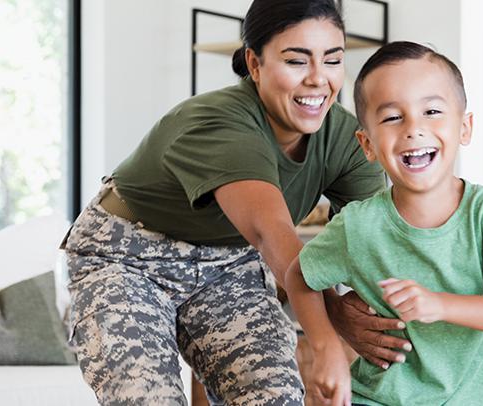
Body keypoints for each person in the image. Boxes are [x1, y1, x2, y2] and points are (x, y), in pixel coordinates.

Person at [61, 0, 412, 404]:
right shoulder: (220, 122)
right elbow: (271, 234)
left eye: (332, 60)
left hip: (229, 263)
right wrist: (326, 340)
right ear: (255, 63)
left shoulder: (347, 140)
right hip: (127, 257)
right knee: (147, 398)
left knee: (274, 395)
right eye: (297, 61)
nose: (319, 79)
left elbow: (381, 245)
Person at [284, 41, 483, 406]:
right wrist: (326, 347)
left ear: (465, 128)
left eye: (432, 111)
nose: (413, 129)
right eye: (393, 117)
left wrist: (439, 305)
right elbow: (298, 276)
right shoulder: (358, 224)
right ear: (367, 144)